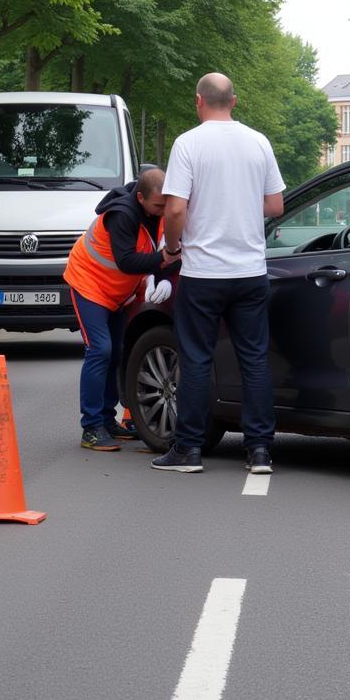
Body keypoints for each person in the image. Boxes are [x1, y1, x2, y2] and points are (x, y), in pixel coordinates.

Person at [152, 72, 285, 475]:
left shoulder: (188, 143)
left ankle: (189, 449)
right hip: (248, 270)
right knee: (254, 359)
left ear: (198, 102)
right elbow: (276, 205)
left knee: (195, 359)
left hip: (203, 271)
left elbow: (174, 209)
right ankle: (259, 450)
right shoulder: (258, 142)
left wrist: (173, 248)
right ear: (235, 100)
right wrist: (239, 204)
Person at [64, 168, 177, 451]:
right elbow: (127, 261)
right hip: (89, 284)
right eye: (158, 205)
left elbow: (163, 253)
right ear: (140, 198)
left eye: (166, 205)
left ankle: (106, 418)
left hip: (117, 293)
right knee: (100, 349)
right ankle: (91, 428)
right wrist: (161, 259)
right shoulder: (122, 215)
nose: (164, 211)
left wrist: (160, 275)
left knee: (116, 351)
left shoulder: (158, 213)